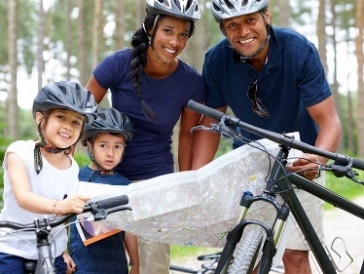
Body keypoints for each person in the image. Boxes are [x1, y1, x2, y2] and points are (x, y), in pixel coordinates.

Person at [191, 1, 342, 273]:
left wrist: (316, 159)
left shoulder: (297, 51)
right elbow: (211, 121)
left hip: (301, 159)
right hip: (252, 158)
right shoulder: (217, 60)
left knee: (294, 256)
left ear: (266, 17)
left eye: (250, 20)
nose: (243, 31)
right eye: (232, 25)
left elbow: (329, 122)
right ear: (223, 30)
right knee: (246, 256)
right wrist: (197, 179)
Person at [83, 0, 205, 273]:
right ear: (150, 28)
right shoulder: (117, 63)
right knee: (99, 257)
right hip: (108, 177)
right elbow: (82, 113)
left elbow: (187, 137)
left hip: (156, 179)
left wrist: (186, 184)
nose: (175, 41)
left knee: (154, 263)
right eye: (168, 31)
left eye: (183, 34)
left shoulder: (191, 82)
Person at [0, 81, 98, 273]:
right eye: (61, 117)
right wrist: (59, 206)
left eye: (76, 122)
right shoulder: (19, 152)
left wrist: (64, 251)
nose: (68, 127)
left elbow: (66, 215)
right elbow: (23, 197)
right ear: (40, 118)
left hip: (53, 253)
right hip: (12, 248)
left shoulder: (72, 167)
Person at [68, 108, 139, 274]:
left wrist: (135, 263)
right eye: (103, 145)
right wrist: (62, 253)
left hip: (116, 266)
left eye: (117, 146)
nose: (110, 153)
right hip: (83, 265)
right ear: (91, 146)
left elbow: (129, 228)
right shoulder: (76, 177)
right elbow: (62, 220)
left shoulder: (125, 185)